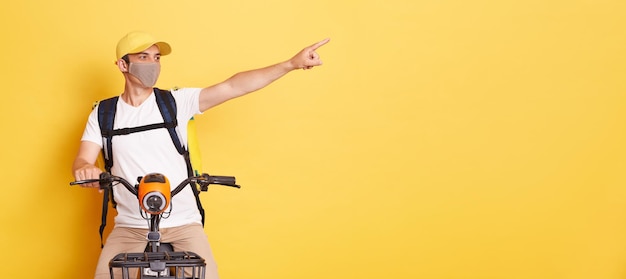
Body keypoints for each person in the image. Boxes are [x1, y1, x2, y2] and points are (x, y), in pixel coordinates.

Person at [72, 31, 329, 279]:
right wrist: (87, 169)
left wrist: (291, 64)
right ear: (123, 65)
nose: (152, 64)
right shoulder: (103, 113)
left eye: (157, 58)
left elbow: (233, 86)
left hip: (184, 224)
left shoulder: (176, 102)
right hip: (130, 227)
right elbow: (82, 160)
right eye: (143, 57)